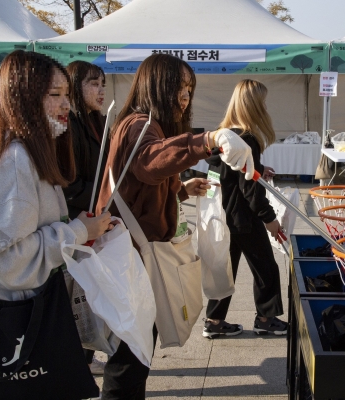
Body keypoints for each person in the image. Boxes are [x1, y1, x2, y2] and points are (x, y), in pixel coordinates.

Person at [95, 53, 254, 399]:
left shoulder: (145, 122)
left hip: (134, 256)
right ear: (157, 86)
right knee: (129, 358)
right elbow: (151, 162)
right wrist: (207, 140)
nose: (185, 97)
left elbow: (141, 187)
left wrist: (181, 191)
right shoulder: (140, 125)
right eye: (178, 88)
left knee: (135, 351)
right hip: (132, 259)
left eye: (189, 89)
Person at [0, 50, 112, 394]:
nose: (65, 105)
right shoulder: (15, 159)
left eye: (67, 95)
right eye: (53, 95)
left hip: (21, 309)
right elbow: (2, 257)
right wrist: (76, 232)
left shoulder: (19, 149)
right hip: (23, 316)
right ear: (21, 99)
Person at [203, 79, 288, 339]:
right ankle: (266, 318)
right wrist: (270, 220)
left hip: (223, 213)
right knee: (266, 269)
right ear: (253, 106)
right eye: (262, 102)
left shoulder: (223, 134)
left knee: (225, 269)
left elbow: (227, 175)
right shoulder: (247, 139)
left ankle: (214, 321)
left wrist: (260, 170)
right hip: (244, 218)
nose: (265, 107)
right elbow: (250, 189)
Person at [64, 60, 109, 375]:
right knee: (77, 294)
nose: (101, 90)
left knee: (89, 293)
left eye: (103, 83)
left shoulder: (97, 121)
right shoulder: (70, 125)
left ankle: (85, 355)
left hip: (95, 219)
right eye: (93, 83)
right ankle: (77, 359)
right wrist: (104, 194)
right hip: (76, 222)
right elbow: (70, 183)